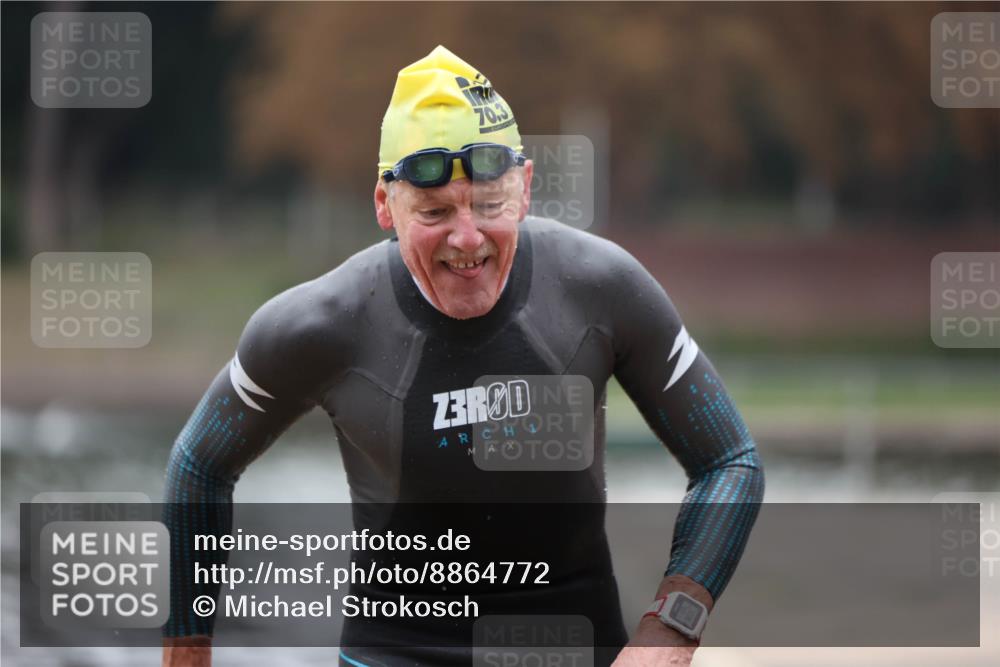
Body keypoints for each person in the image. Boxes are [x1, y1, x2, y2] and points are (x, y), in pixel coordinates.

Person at [161, 45, 764, 667]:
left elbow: (729, 460)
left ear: (526, 189)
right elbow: (199, 465)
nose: (468, 238)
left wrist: (670, 628)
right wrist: (187, 650)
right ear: (383, 205)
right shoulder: (317, 324)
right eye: (435, 212)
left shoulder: (602, 288)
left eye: (490, 204)